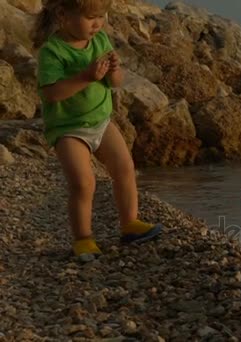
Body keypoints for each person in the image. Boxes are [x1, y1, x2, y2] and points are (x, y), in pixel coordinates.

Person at [32, 0, 162, 261]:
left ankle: (130, 224)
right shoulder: (53, 52)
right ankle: (83, 239)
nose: (97, 24)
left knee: (125, 168)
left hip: (101, 121)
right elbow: (51, 93)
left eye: (102, 16)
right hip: (69, 129)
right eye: (90, 17)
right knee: (83, 183)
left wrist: (113, 72)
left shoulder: (100, 40)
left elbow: (115, 83)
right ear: (63, 14)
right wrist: (86, 77)